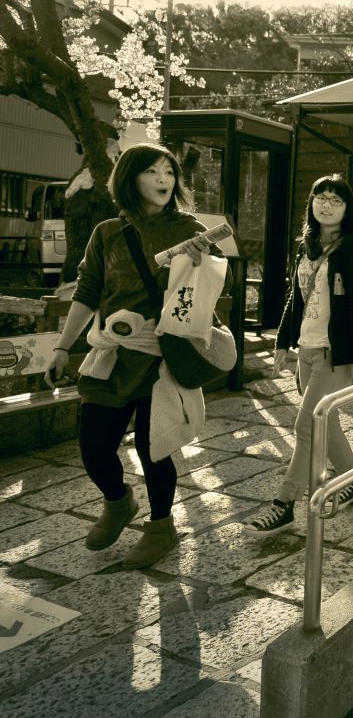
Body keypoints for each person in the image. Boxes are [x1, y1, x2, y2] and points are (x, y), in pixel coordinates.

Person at [43, 143, 226, 569]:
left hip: (161, 355)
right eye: (153, 172)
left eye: (169, 172)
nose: (164, 180)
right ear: (129, 178)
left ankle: (161, 527)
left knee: (153, 447)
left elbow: (220, 283)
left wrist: (200, 264)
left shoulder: (189, 228)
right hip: (112, 354)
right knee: (94, 447)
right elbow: (88, 292)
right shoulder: (107, 232)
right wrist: (62, 347)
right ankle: (118, 502)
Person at [243, 174, 353, 537]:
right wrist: (282, 342)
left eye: (336, 199)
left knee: (306, 427)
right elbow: (295, 298)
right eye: (321, 197)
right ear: (311, 203)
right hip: (307, 350)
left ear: (347, 208)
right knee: (326, 425)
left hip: (336, 355)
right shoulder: (307, 246)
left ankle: (284, 505)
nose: (327, 205)